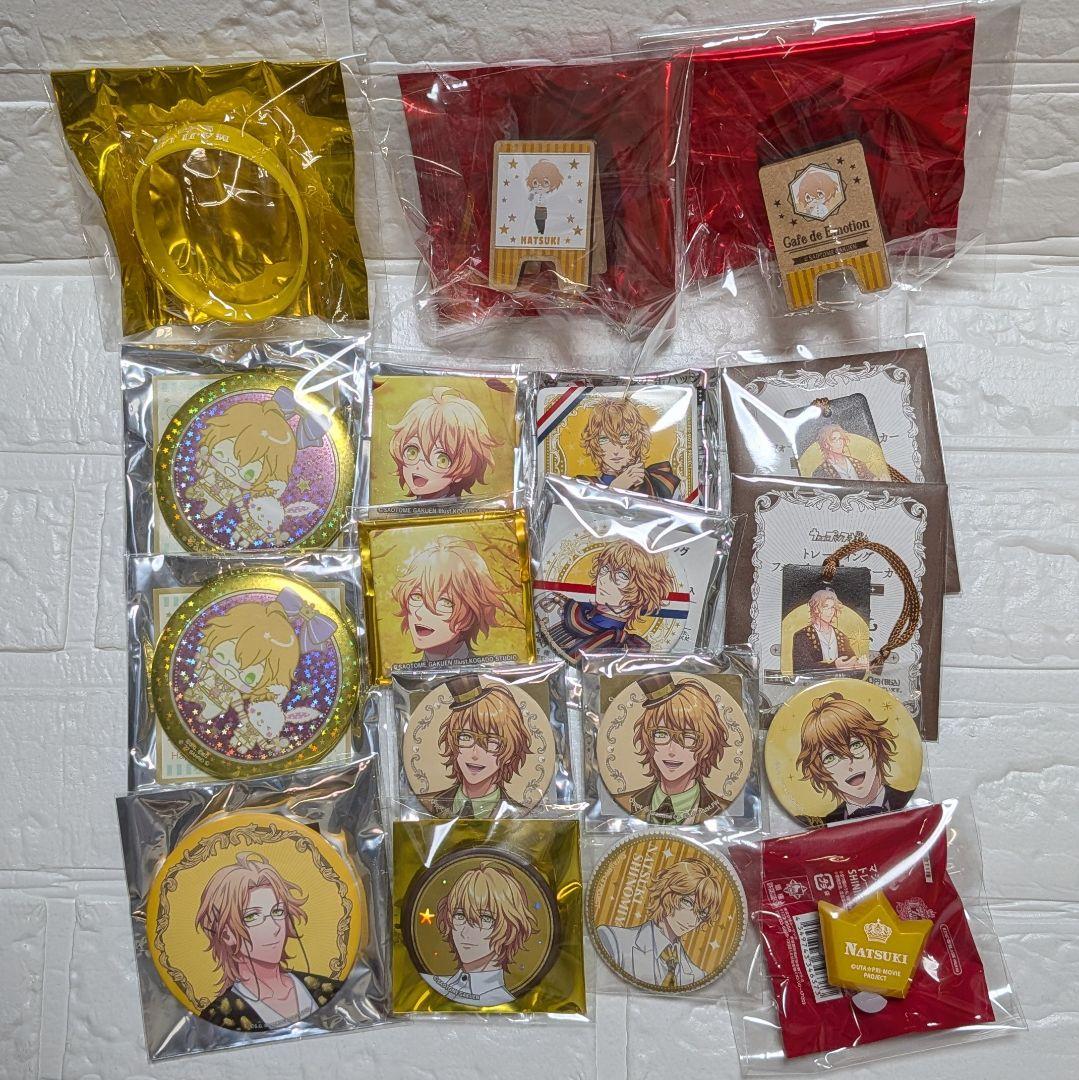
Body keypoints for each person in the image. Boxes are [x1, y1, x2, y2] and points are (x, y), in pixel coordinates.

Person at [196, 851, 341, 1030]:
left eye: (277, 912)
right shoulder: (218, 1017)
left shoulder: (326, 989)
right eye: (252, 916)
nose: (274, 927)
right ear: (226, 935)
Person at [595, 858, 725, 989]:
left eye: (701, 913)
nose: (692, 920)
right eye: (687, 902)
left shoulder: (699, 976)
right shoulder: (613, 940)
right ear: (667, 892)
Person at [421, 862, 537, 1006]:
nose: (465, 932)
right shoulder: (428, 986)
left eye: (485, 918)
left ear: (511, 928)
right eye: (459, 915)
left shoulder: (505, 1000)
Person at [622, 674, 731, 825]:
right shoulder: (625, 802)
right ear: (647, 739)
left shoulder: (723, 811)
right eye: (661, 734)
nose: (671, 751)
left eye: (688, 737)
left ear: (707, 746)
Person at [542, 539, 675, 661]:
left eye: (622, 576)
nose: (604, 580)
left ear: (644, 588)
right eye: (605, 569)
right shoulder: (571, 612)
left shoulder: (616, 644)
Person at [795, 691, 912, 822]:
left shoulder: (916, 806)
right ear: (819, 770)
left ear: (876, 743)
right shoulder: (823, 824)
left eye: (856, 745)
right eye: (830, 758)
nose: (848, 765)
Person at [426, 674, 532, 817]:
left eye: (492, 741)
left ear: (510, 751)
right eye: (465, 737)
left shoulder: (520, 814)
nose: (475, 754)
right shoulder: (428, 803)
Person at [391, 537, 509, 663]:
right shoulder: (402, 674)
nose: (420, 613)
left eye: (444, 601)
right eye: (416, 596)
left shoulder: (493, 668)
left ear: (471, 611)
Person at [187, 398, 298, 518]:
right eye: (221, 454)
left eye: (248, 474)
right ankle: (195, 497)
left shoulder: (234, 491)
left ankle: (205, 514)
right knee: (196, 493)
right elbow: (200, 468)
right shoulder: (211, 473)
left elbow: (239, 503)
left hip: (219, 501)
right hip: (203, 488)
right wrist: (201, 458)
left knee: (211, 508)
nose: (230, 470)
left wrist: (244, 512)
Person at [388, 387, 499, 500]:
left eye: (442, 460)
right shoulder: (403, 509)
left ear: (464, 470)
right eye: (412, 452)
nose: (420, 465)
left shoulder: (465, 509)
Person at [577, 398, 681, 499]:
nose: (615, 450)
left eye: (624, 437)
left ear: (638, 438)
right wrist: (614, 489)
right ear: (594, 443)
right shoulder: (583, 486)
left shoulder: (660, 482)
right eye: (604, 439)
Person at [790, 588, 868, 676]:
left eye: (832, 607)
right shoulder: (802, 636)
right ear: (815, 609)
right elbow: (800, 669)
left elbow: (853, 673)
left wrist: (858, 667)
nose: (830, 611)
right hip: (814, 684)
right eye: (825, 607)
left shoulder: (841, 637)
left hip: (840, 684)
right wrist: (834, 666)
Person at [810, 423, 878, 481]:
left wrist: (878, 480)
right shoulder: (820, 471)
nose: (839, 442)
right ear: (825, 444)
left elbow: (873, 480)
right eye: (834, 439)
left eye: (840, 438)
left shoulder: (858, 463)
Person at [525, 159, 564, 235]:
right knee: (537, 220)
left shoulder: (548, 195)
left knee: (542, 221)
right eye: (535, 182)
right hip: (537, 209)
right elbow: (529, 199)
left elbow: (552, 201)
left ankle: (541, 231)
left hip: (543, 209)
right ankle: (539, 230)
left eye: (545, 182)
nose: (540, 185)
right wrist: (532, 193)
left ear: (552, 185)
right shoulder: (535, 193)